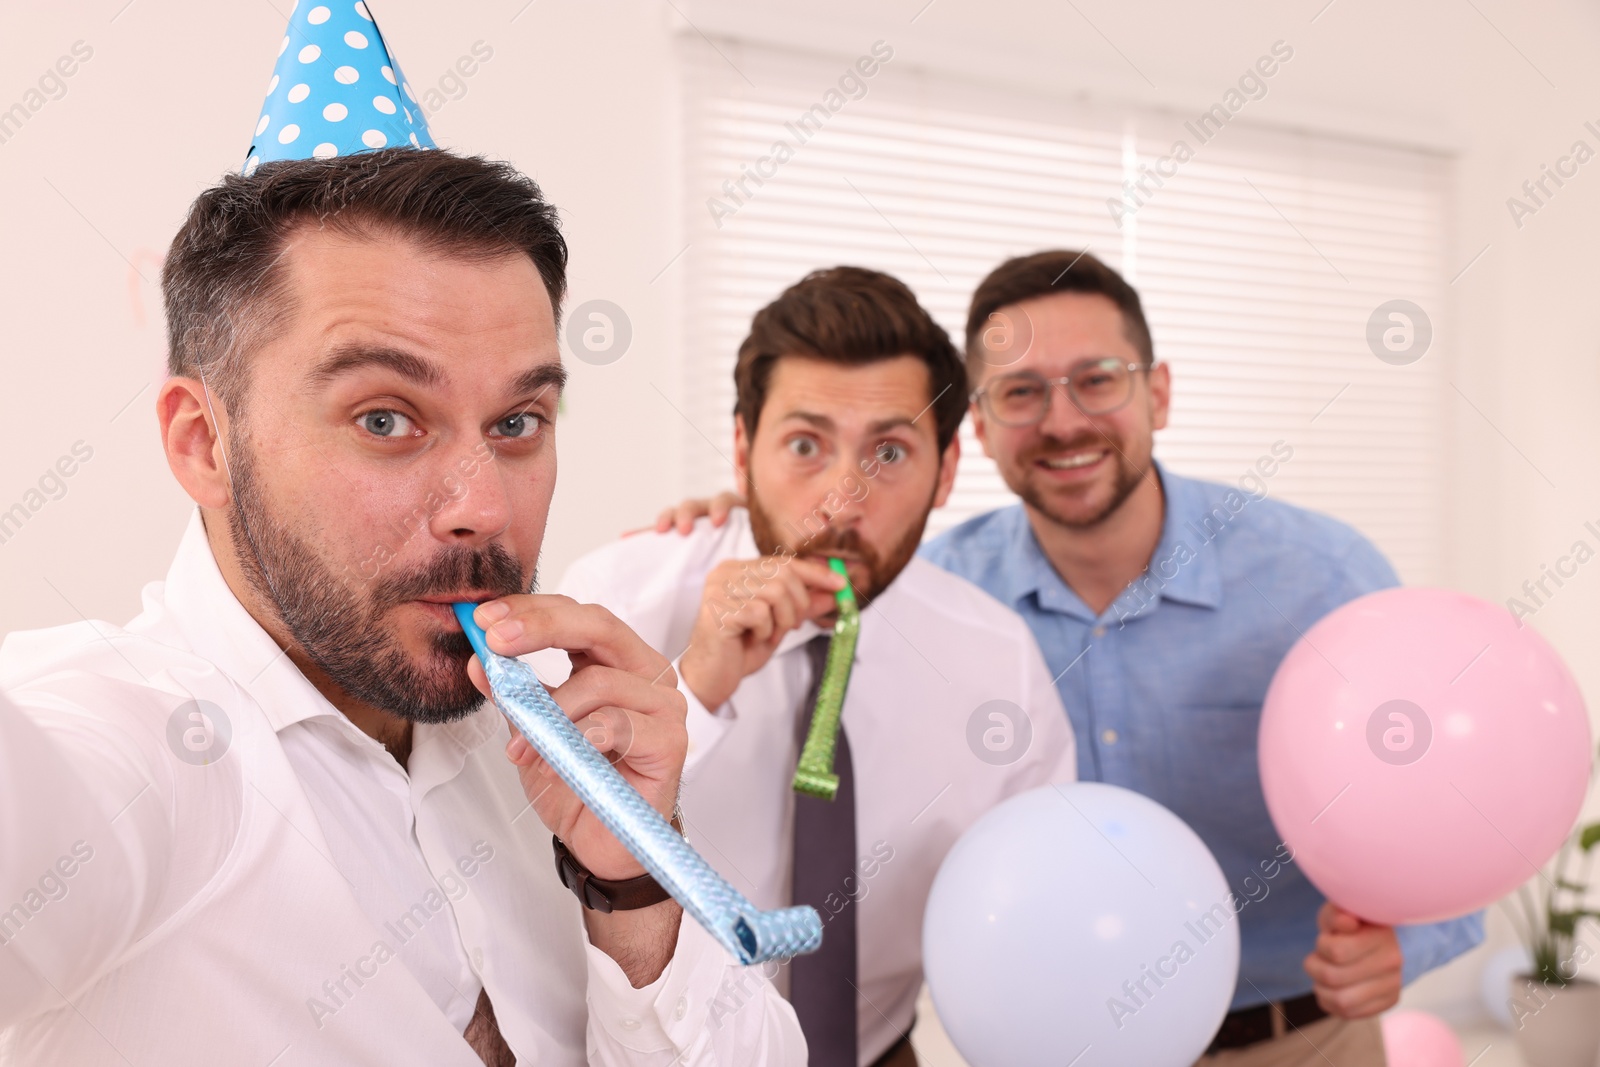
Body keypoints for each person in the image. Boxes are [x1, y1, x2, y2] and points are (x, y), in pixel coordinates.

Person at [0, 7, 801, 1065]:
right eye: (386, 418)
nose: (481, 504)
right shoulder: (131, 747)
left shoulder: (547, 757)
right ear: (203, 442)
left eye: (517, 422)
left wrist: (632, 882)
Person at [653, 251, 1483, 1066]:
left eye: (1098, 378)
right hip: (1067, 1038)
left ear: (1156, 392)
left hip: (1299, 1038)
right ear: (975, 428)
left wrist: (1406, 944)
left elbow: (1460, 807)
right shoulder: (933, 604)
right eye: (1020, 392)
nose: (1062, 421)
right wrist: (735, 519)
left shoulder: (1323, 579)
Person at [545, 266, 1077, 1067]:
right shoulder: (612, 606)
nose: (840, 499)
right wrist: (695, 687)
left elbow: (1043, 914)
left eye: (889, 451)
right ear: (740, 446)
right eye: (804, 444)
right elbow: (528, 876)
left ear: (947, 469)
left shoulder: (997, 661)